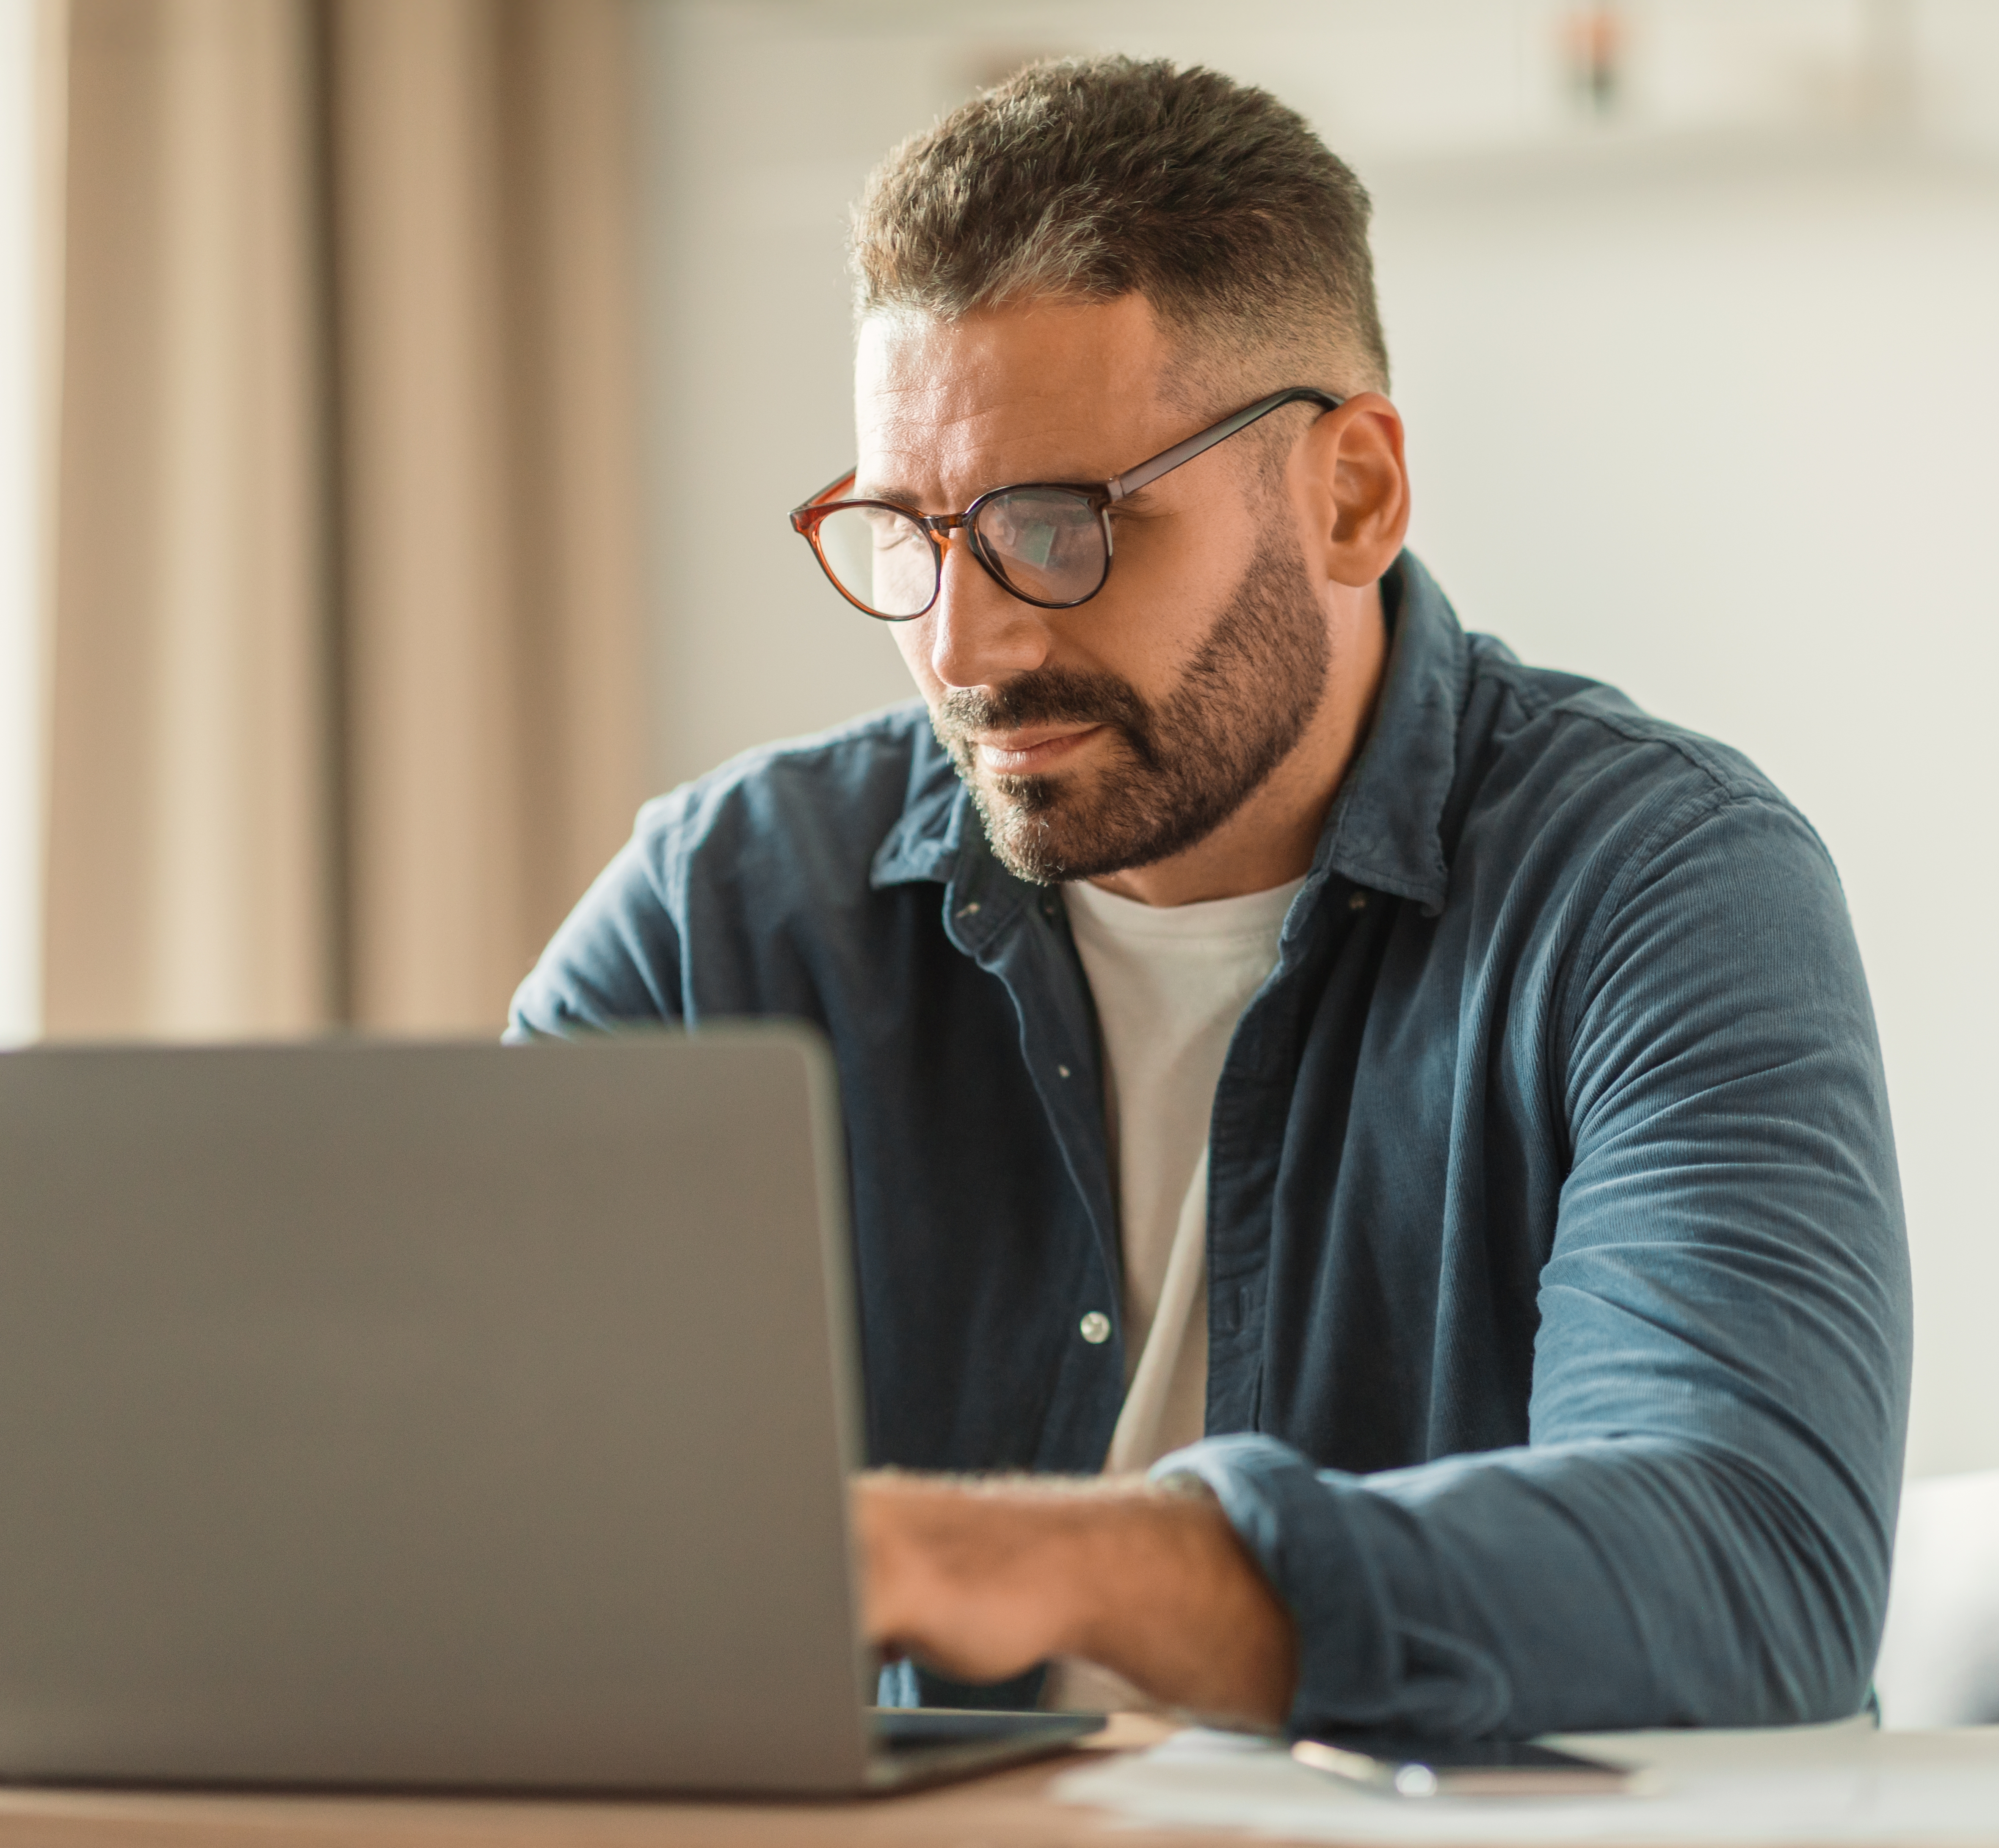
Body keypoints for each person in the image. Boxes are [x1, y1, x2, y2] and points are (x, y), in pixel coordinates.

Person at [510, 56, 1910, 1740]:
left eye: (1056, 527)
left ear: (1351, 494)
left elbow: (1739, 1577)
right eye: (906, 533)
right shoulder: (713, 914)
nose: (964, 648)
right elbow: (450, 1495)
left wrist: (1010, 1562)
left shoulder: (1656, 890)